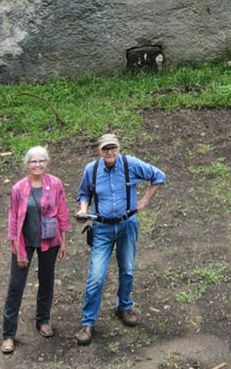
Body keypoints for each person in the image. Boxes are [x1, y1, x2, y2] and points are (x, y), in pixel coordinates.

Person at [74, 132, 166, 345]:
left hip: (127, 224)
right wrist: (83, 210)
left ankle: (124, 306)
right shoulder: (92, 169)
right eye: (105, 149)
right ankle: (88, 322)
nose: (110, 152)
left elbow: (158, 176)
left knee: (127, 269)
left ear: (119, 147)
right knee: (96, 276)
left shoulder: (130, 164)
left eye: (113, 148)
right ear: (99, 150)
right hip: (102, 228)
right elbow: (84, 193)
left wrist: (144, 201)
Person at [1, 145, 69, 354]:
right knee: (15, 286)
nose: (37, 165)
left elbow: (62, 213)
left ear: (47, 162)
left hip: (50, 241)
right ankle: (9, 334)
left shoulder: (55, 184)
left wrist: (64, 241)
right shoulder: (18, 188)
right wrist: (18, 250)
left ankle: (43, 320)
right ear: (27, 164)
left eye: (41, 161)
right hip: (25, 242)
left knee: (47, 280)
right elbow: (13, 221)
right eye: (33, 161)